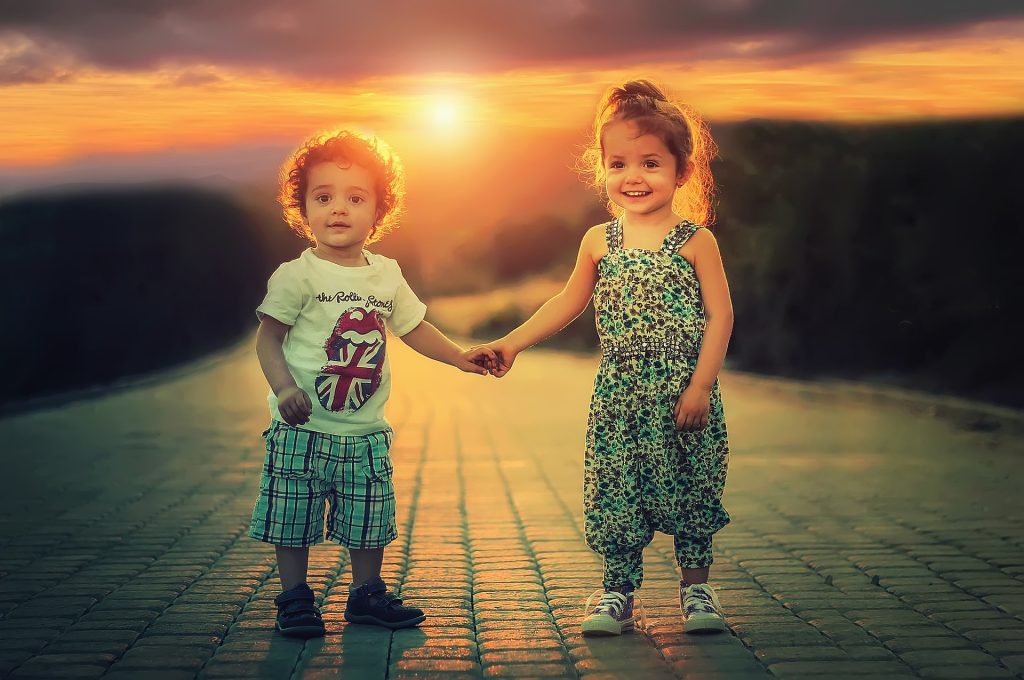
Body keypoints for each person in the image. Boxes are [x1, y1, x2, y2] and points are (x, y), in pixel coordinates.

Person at [480, 80, 733, 636]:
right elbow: (568, 301)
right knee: (614, 491)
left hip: (681, 390)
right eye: (618, 164)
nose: (633, 177)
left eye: (650, 163)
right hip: (618, 394)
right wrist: (512, 343)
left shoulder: (696, 240)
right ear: (602, 169)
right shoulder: (599, 240)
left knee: (692, 488)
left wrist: (698, 387)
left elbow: (721, 316)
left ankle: (697, 593)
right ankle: (616, 593)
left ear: (682, 171)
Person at [249, 129, 494, 637]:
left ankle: (365, 596)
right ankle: (294, 600)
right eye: (324, 198)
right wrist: (284, 389)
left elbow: (414, 328)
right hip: (302, 428)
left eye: (355, 198)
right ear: (304, 209)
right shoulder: (297, 276)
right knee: (292, 514)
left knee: (369, 515)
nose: (338, 209)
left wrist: (459, 357)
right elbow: (267, 340)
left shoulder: (385, 275)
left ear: (378, 212)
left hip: (363, 430)